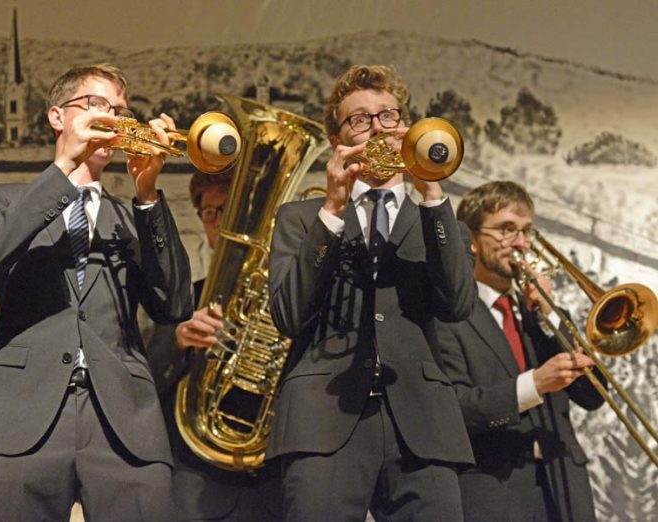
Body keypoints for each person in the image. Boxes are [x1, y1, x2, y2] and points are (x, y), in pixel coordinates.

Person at [0, 63, 192, 521]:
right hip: (24, 415)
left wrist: (147, 193)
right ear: (56, 117)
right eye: (96, 105)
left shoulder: (133, 218)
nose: (114, 118)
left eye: (121, 110)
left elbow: (174, 305)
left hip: (124, 419)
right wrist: (65, 166)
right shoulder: (4, 199)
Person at [267, 64, 478, 521]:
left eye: (388, 116)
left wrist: (432, 194)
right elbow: (287, 315)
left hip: (423, 423)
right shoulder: (302, 219)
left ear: (407, 126)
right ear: (338, 140)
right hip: (321, 420)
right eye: (360, 120)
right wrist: (332, 207)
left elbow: (459, 304)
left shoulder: (441, 219)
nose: (378, 128)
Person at [434, 181, 604, 522]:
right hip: (494, 492)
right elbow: (454, 411)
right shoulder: (448, 315)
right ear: (471, 239)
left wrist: (551, 315)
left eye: (526, 231)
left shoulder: (538, 315)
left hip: (564, 488)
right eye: (506, 230)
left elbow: (592, 394)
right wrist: (535, 384)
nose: (521, 244)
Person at [146, 170, 283, 521]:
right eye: (211, 213)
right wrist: (178, 340)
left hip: (271, 484)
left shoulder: (286, 301)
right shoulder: (184, 300)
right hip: (196, 484)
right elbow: (147, 380)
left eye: (231, 211)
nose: (221, 223)